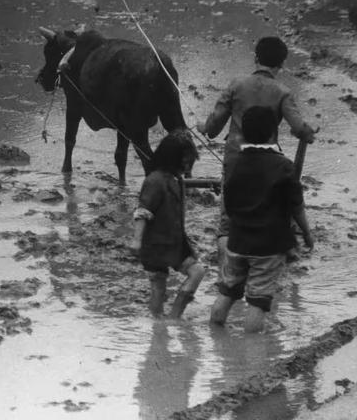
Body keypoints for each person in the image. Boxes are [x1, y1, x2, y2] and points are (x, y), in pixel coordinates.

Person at [197, 36, 316, 264]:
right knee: (270, 211)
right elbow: (300, 128)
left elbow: (213, 127)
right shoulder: (282, 92)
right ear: (281, 64)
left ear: (255, 58)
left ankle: (225, 274)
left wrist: (204, 127)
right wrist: (308, 133)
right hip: (269, 164)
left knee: (227, 223)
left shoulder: (236, 84)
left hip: (235, 161)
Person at [210, 106, 314, 333]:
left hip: (237, 242)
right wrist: (306, 233)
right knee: (258, 302)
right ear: (272, 134)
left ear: (244, 134)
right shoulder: (284, 166)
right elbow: (296, 207)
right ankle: (251, 353)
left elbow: (229, 203)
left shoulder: (234, 163)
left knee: (227, 292)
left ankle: (216, 335)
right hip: (267, 247)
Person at [130, 131, 206, 318]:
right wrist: (137, 241)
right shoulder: (154, 181)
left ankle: (171, 318)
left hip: (174, 243)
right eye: (186, 161)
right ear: (174, 159)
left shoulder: (174, 178)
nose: (188, 166)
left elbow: (183, 183)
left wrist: (210, 183)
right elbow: (142, 212)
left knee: (196, 272)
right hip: (156, 245)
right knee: (159, 287)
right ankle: (163, 324)